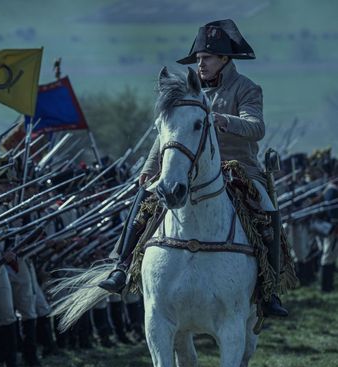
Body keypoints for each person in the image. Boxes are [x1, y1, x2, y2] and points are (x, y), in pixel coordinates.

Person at [98, 19, 289, 317]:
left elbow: (256, 127)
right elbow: (168, 134)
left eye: (206, 58)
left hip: (239, 167)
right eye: (198, 59)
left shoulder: (247, 88)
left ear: (224, 59)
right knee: (145, 198)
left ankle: (269, 288)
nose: (200, 64)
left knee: (266, 208)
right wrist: (150, 167)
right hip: (187, 168)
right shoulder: (187, 92)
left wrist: (224, 120)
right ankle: (121, 266)